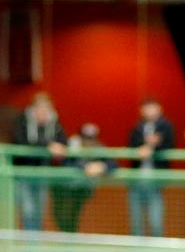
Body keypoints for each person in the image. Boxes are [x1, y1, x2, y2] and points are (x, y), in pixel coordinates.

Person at [10, 93, 68, 231]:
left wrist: (56, 148)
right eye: (39, 108)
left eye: (46, 109)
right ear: (33, 109)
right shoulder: (22, 122)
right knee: (27, 211)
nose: (42, 112)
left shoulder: (55, 125)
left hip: (43, 174)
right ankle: (30, 246)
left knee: (39, 211)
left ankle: (34, 246)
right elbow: (20, 142)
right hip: (23, 174)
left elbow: (63, 144)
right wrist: (48, 145)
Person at [52, 123, 115, 234]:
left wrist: (101, 166)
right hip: (63, 189)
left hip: (80, 190)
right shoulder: (71, 144)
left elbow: (113, 164)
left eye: (91, 139)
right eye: (85, 139)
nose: (88, 142)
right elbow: (66, 163)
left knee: (72, 217)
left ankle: (70, 242)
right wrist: (85, 167)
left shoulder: (98, 147)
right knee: (61, 216)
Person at [126, 97, 175, 238]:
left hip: (156, 178)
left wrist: (153, 147)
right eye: (147, 108)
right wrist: (144, 145)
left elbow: (169, 144)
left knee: (155, 218)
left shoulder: (166, 126)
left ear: (159, 108)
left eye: (153, 107)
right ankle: (137, 250)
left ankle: (156, 250)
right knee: (136, 217)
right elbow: (131, 146)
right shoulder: (137, 128)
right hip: (137, 178)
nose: (150, 111)